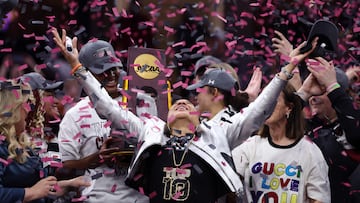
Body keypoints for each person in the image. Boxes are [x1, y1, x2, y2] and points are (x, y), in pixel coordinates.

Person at [52, 28, 319, 202]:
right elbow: (107, 107)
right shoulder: (150, 129)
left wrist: (288, 68)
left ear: (199, 118)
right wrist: (77, 67)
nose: (182, 105)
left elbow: (258, 111)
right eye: (176, 105)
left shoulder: (218, 134)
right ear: (164, 117)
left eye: (188, 106)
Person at [56, 35, 149, 202]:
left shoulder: (143, 102)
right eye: (102, 71)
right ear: (88, 74)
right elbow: (65, 167)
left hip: (140, 198)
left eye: (114, 68)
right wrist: (96, 159)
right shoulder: (75, 114)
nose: (111, 75)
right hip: (98, 197)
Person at [232, 83, 330, 203]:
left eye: (273, 101)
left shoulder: (310, 151)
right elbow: (230, 186)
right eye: (264, 101)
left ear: (289, 108)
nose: (266, 107)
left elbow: (319, 199)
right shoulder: (249, 146)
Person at [0, 78, 91, 203]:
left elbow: (36, 187)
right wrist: (31, 192)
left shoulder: (21, 142)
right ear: (12, 110)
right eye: (25, 105)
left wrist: (67, 184)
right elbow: (32, 190)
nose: (29, 110)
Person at [295, 57, 360, 203]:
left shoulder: (350, 129)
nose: (313, 97)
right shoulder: (307, 127)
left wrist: (331, 85)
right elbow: (279, 120)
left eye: (321, 89)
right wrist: (304, 91)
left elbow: (356, 134)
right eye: (312, 90)